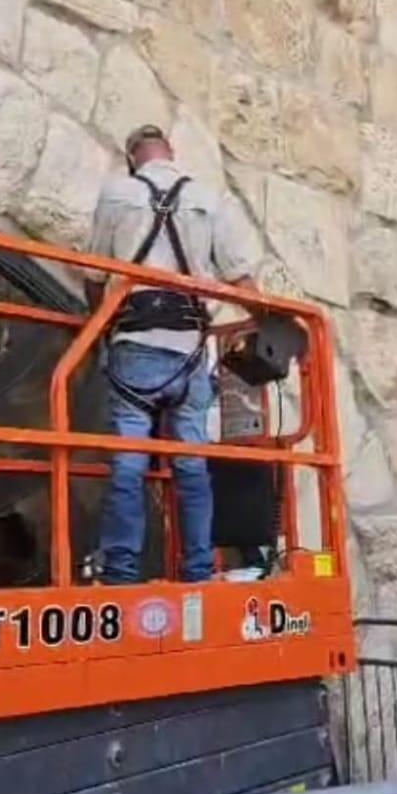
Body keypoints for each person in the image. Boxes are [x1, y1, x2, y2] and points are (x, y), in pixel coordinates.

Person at [86, 124, 255, 586]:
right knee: (191, 464)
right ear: (172, 154)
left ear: (132, 160)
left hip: (135, 348)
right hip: (188, 351)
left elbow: (95, 276)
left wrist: (95, 327)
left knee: (130, 462)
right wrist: (269, 321)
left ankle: (121, 573)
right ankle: (199, 570)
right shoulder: (207, 196)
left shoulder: (118, 193)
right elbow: (240, 275)